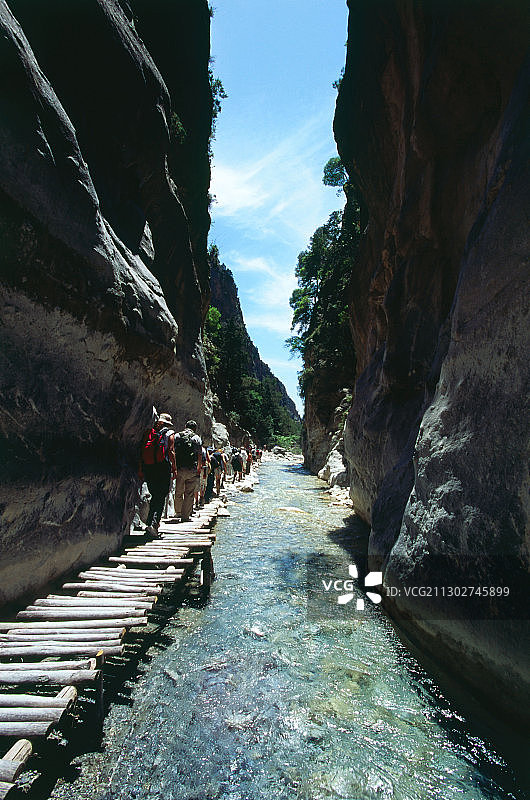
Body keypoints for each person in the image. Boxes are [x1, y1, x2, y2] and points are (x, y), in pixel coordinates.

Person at [139, 412, 177, 537]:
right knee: (161, 497)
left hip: (149, 467)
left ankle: (149, 523)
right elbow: (171, 451)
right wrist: (174, 468)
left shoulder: (149, 433)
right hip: (162, 467)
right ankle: (154, 525)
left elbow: (141, 450)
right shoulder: (169, 433)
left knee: (155, 495)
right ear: (167, 423)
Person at [173, 420, 202, 521]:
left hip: (179, 468)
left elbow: (172, 451)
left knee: (178, 491)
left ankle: (178, 512)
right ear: (195, 428)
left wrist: (174, 467)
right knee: (189, 493)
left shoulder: (177, 436)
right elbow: (199, 454)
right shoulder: (196, 438)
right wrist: (199, 467)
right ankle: (185, 516)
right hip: (191, 469)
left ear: (185, 426)